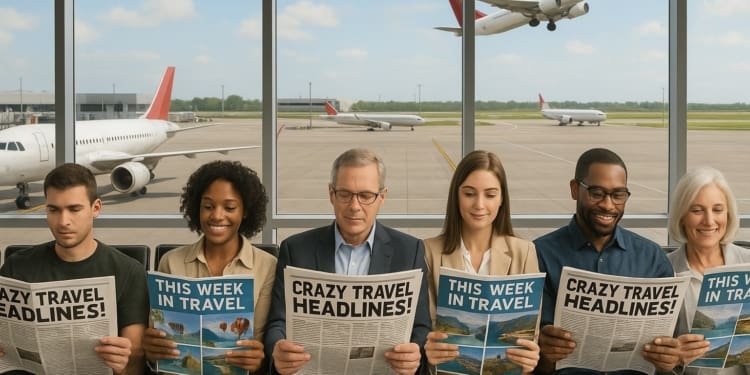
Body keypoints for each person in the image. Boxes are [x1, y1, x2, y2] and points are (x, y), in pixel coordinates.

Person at [264, 148, 431, 375]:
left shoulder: (410, 251)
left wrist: (415, 353)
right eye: (345, 194)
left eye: (365, 195)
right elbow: (277, 322)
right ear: (331, 194)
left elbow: (420, 327)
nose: (354, 206)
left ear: (382, 197)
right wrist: (278, 350)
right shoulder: (296, 250)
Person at [533, 148, 681, 375]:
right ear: (575, 189)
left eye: (618, 195)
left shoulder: (652, 258)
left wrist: (669, 361)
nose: (608, 205)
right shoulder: (538, 254)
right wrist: (544, 354)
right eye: (596, 193)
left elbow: (665, 363)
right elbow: (529, 362)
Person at [0, 163, 148, 375]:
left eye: (74, 209)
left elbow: (135, 364)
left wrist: (124, 363)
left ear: (95, 208)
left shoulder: (128, 272)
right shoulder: (17, 267)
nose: (63, 222)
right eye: (53, 210)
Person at [142, 160, 277, 374]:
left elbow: (265, 342)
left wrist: (260, 361)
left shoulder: (267, 266)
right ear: (197, 208)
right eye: (208, 206)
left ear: (245, 212)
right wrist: (151, 351)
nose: (217, 215)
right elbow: (157, 339)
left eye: (230, 207)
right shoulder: (170, 262)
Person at [423, 150, 540, 374]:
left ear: (502, 199)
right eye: (469, 194)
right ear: (456, 196)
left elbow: (529, 339)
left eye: (490, 194)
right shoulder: (428, 251)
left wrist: (529, 359)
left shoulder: (524, 252)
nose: (479, 204)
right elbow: (424, 333)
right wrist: (429, 355)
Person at [667, 166, 750, 374]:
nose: (709, 221)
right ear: (682, 216)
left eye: (718, 209)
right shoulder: (663, 270)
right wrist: (674, 359)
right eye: (697, 210)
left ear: (728, 214)